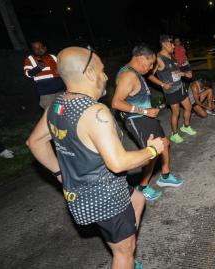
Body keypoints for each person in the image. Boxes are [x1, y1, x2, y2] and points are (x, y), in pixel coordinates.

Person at [26, 46, 166, 268]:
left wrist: (60, 173)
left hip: (79, 193)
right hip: (105, 199)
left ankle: (123, 245)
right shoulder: (96, 112)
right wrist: (152, 150)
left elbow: (35, 142)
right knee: (123, 252)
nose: (106, 76)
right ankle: (124, 255)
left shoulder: (57, 103)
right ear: (89, 74)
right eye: (102, 70)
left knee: (138, 199)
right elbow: (118, 163)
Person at [112, 44, 183, 202]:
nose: (151, 68)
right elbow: (116, 102)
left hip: (146, 118)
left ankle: (165, 176)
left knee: (164, 143)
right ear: (140, 58)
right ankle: (142, 187)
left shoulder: (136, 72)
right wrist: (145, 111)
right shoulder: (128, 75)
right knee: (152, 152)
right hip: (138, 120)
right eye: (150, 63)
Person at [149, 35, 197, 144]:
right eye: (171, 44)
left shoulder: (172, 56)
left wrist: (185, 74)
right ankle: (174, 134)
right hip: (171, 91)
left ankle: (186, 126)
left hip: (179, 87)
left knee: (188, 107)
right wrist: (162, 84)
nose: (173, 46)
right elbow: (150, 75)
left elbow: (176, 72)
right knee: (176, 113)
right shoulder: (159, 58)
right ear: (165, 44)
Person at [23, 40, 66, 109]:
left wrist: (60, 70)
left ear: (45, 48)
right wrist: (38, 68)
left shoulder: (53, 57)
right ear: (32, 50)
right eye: (35, 48)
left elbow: (61, 67)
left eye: (40, 47)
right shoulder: (30, 59)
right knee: (49, 108)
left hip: (59, 89)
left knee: (60, 108)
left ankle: (58, 118)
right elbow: (27, 74)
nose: (38, 50)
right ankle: (51, 118)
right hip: (46, 91)